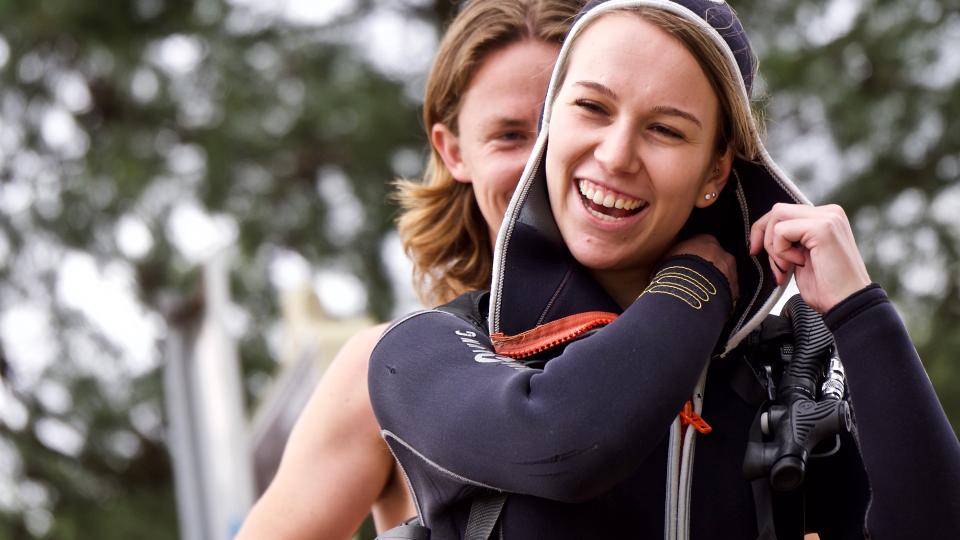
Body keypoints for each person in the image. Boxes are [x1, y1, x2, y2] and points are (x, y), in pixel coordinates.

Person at [369, 0, 960, 538]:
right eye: (592, 107)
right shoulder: (427, 351)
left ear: (714, 173)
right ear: (554, 121)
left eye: (665, 129)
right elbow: (564, 444)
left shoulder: (790, 373)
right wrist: (693, 285)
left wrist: (859, 311)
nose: (617, 154)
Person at [235, 1, 584, 538]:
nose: (540, 161)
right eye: (510, 136)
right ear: (453, 151)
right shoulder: (376, 375)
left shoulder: (718, 346)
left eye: (563, 125)